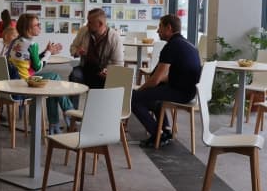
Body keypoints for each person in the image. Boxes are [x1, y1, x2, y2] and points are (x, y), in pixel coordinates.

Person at [131, 14, 201, 147]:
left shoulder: (171, 46)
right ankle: (166, 130)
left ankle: (158, 134)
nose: (158, 31)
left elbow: (155, 79)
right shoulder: (189, 45)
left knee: (133, 98)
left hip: (180, 93)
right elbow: (176, 74)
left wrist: (140, 90)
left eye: (160, 27)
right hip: (190, 92)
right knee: (154, 95)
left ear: (169, 28)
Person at [9, 13, 72, 134]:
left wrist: (46, 52)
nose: (40, 27)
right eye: (37, 25)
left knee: (53, 84)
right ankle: (68, 111)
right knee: (54, 78)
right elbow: (37, 67)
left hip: (13, 82)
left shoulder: (15, 41)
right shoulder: (32, 44)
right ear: (28, 28)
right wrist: (48, 53)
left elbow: (30, 62)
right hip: (25, 84)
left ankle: (55, 123)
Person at [68, 8, 124, 90]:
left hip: (103, 72)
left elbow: (118, 65)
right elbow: (73, 47)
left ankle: (98, 97)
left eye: (90, 22)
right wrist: (77, 52)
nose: (87, 25)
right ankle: (73, 99)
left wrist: (108, 71)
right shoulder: (83, 31)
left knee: (107, 83)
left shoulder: (114, 38)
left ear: (100, 24)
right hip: (84, 68)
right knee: (74, 75)